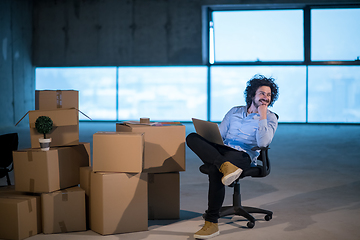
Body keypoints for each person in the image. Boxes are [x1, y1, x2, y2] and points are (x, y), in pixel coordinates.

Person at [186, 74, 279, 239]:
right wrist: (208, 137)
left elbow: (264, 143)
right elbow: (220, 135)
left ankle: (212, 223)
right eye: (262, 93)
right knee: (192, 137)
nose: (266, 97)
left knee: (215, 170)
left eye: (269, 95)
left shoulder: (270, 118)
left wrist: (262, 116)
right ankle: (224, 165)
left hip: (243, 155)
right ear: (252, 95)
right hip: (223, 149)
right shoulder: (234, 111)